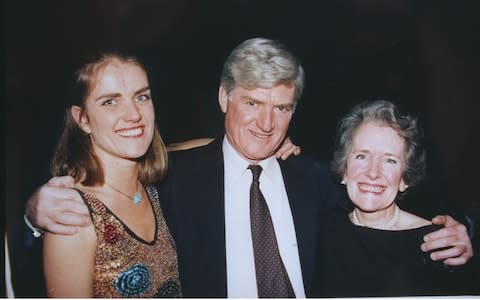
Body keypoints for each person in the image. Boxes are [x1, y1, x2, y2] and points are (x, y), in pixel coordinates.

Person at [26, 38, 473, 298]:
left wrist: (465, 230)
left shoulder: (312, 177)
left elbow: (385, 197)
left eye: (281, 107)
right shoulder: (176, 178)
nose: (266, 124)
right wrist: (33, 212)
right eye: (253, 103)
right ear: (224, 98)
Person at [42, 53, 181, 297]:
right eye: (110, 102)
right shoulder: (72, 215)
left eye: (141, 97)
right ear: (83, 119)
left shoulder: (153, 189)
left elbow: (189, 151)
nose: (134, 114)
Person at [313, 100, 473, 296]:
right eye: (362, 156)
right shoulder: (320, 232)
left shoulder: (437, 245)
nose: (373, 172)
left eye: (390, 160)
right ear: (344, 169)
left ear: (405, 178)